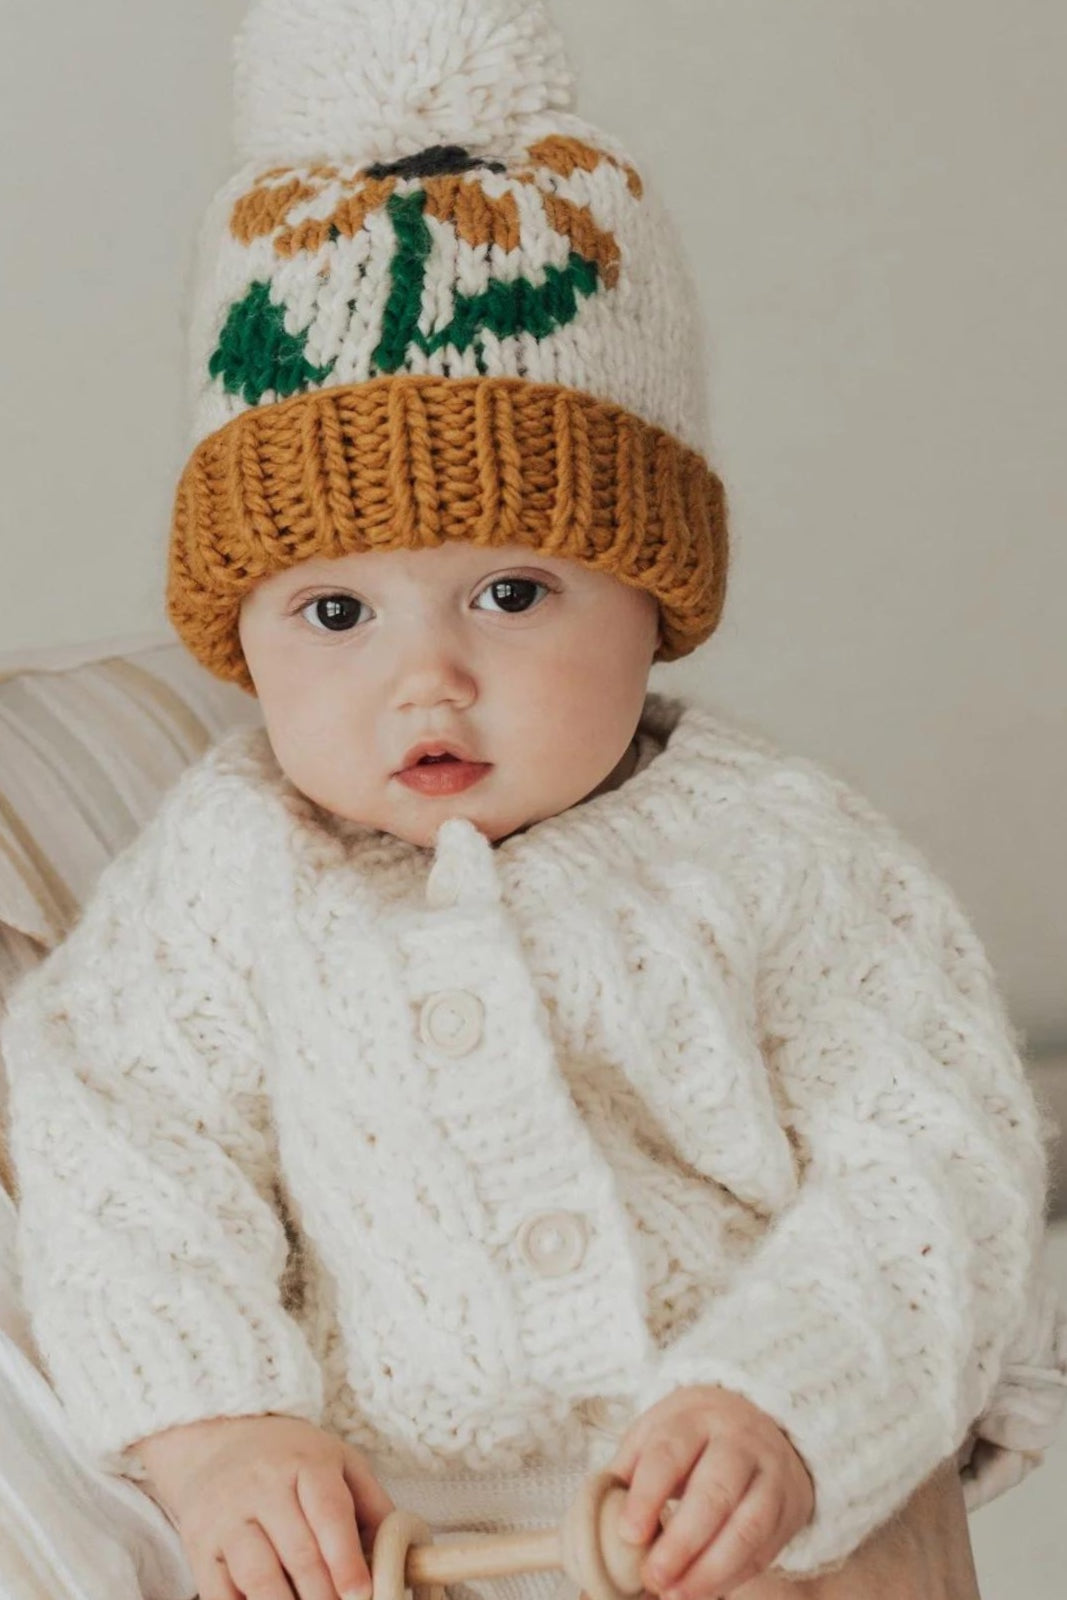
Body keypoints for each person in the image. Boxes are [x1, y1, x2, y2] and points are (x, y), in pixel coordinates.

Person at [3, 3, 1065, 1599]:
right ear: (245, 640)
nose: (425, 680)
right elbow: (114, 1147)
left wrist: (787, 1398)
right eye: (337, 615)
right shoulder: (225, 873)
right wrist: (217, 1428)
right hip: (400, 1544)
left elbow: (938, 1155)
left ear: (655, 599)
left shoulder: (783, 851)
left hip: (772, 1519)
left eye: (510, 593)